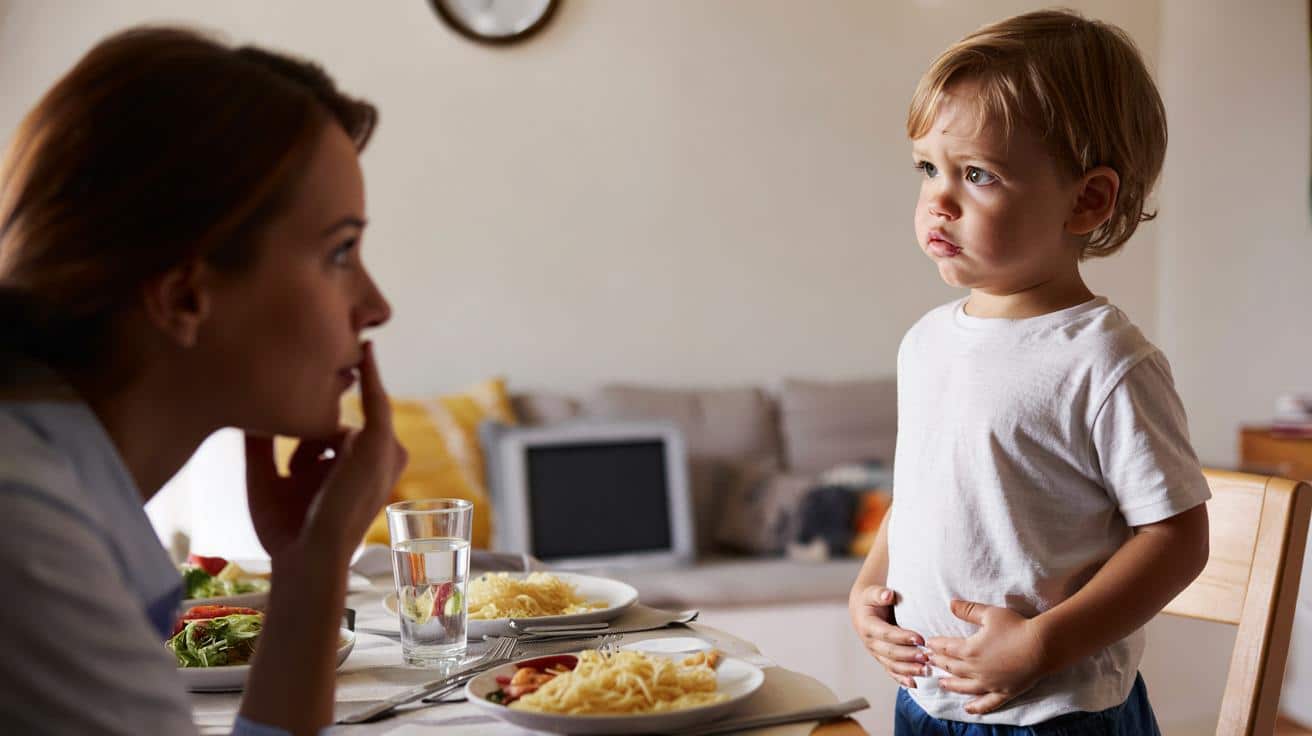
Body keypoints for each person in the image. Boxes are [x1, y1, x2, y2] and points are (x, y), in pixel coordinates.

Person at [0, 27, 407, 735]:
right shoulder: (26, 545)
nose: (376, 307)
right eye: (340, 250)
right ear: (184, 296)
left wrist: (316, 564)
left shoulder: (49, 490)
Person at [848, 10, 1211, 734]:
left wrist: (1042, 644)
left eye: (977, 174)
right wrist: (867, 584)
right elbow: (920, 492)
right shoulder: (924, 343)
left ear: (1088, 200)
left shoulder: (1103, 358)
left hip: (1055, 715)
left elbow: (1178, 540)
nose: (937, 201)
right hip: (926, 696)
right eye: (929, 168)